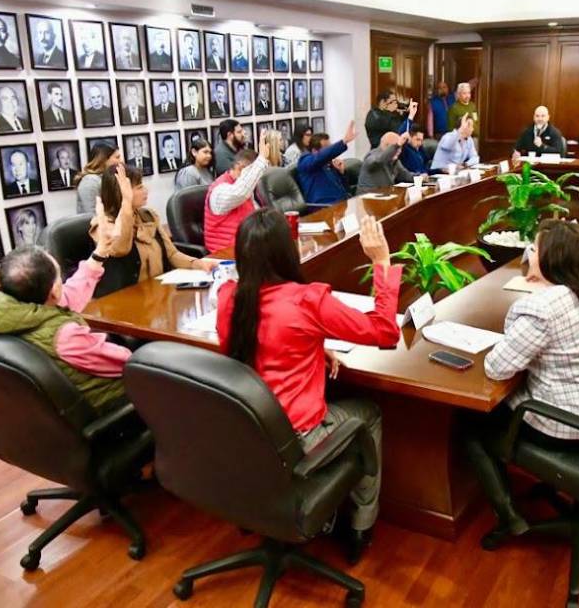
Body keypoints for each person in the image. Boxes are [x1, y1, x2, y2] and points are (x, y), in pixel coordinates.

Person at [217, 209, 402, 562]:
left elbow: (252, 345)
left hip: (248, 433)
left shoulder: (229, 298)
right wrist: (381, 262)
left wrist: (314, 345)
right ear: (287, 252)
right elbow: (384, 331)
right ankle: (361, 526)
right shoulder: (306, 302)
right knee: (370, 413)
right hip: (297, 439)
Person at [464, 166, 579, 541]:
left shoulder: (544, 308)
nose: (529, 253)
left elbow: (497, 367)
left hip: (563, 425)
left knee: (471, 425)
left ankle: (508, 517)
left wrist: (523, 311)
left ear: (553, 262)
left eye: (534, 249)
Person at [0, 203, 133, 419]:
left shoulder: (12, 313)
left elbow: (70, 295)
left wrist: (100, 253)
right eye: (60, 277)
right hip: (107, 403)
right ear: (55, 291)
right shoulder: (65, 336)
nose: (63, 282)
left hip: (56, 408)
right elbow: (128, 365)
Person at [91, 166, 215, 294]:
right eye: (139, 187)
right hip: (124, 298)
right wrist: (126, 203)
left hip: (156, 291)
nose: (146, 190)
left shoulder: (148, 216)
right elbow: (121, 249)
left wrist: (197, 263)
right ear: (120, 192)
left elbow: (171, 254)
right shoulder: (102, 224)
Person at [204, 134, 270, 251]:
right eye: (252, 174)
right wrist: (261, 161)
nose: (255, 180)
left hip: (246, 247)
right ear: (240, 168)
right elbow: (240, 192)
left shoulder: (244, 187)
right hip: (224, 253)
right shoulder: (219, 190)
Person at [296, 121, 356, 205]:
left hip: (341, 205)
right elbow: (321, 156)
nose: (330, 152)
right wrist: (343, 142)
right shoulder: (305, 161)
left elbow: (345, 191)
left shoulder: (329, 165)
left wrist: (341, 173)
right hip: (323, 207)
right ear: (315, 151)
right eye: (327, 148)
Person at [75, 142, 122, 214]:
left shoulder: (109, 177)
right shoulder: (90, 182)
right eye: (117, 157)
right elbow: (92, 215)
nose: (121, 161)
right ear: (103, 160)